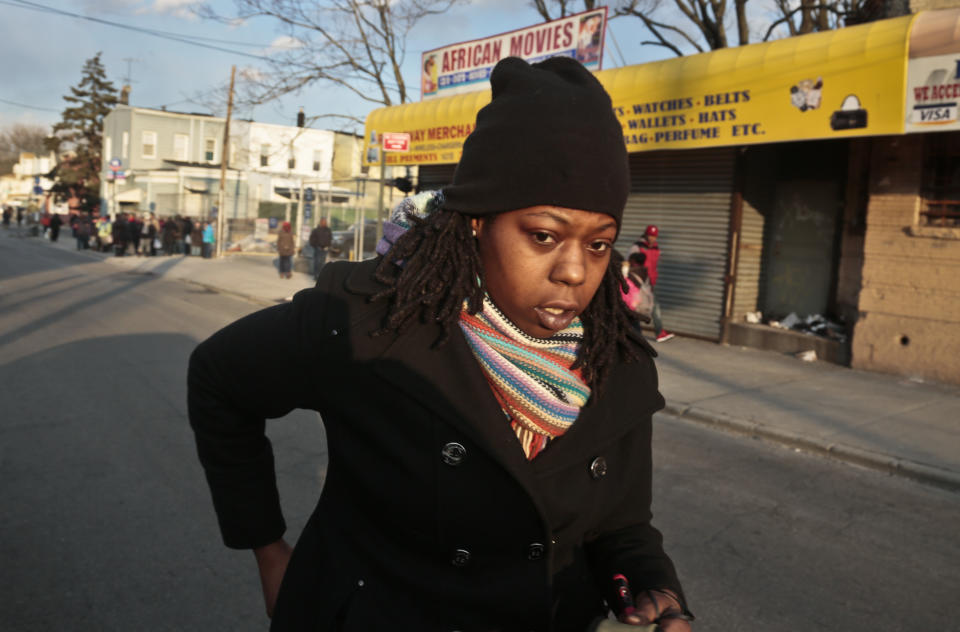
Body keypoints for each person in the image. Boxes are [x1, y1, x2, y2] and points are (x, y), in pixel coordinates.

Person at [187, 57, 693, 632]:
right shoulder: (372, 323)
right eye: (544, 236)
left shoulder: (615, 362)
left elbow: (621, 526)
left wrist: (653, 589)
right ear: (478, 222)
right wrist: (267, 549)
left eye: (599, 245)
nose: (574, 272)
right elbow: (217, 379)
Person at [630, 225, 673, 342]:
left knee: (649, 305)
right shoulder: (637, 246)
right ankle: (657, 332)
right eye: (650, 235)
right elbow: (631, 261)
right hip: (640, 281)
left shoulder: (656, 248)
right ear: (646, 234)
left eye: (654, 236)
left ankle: (655, 333)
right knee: (640, 305)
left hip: (651, 282)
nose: (652, 238)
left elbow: (653, 266)